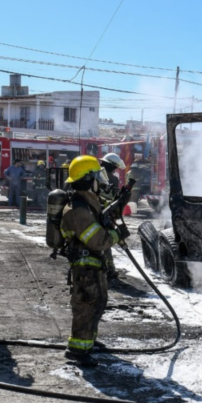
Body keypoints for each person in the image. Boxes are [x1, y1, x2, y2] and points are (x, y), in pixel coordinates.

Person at [60, 156, 128, 366]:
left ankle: (88, 341)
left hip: (94, 265)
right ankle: (78, 351)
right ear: (88, 179)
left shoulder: (89, 202)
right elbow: (99, 240)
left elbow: (104, 214)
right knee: (86, 306)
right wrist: (118, 235)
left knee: (97, 303)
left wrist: (121, 202)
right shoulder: (78, 210)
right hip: (85, 267)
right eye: (96, 176)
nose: (100, 180)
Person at [98, 153, 126, 280]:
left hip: (94, 212)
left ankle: (107, 269)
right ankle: (109, 269)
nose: (115, 170)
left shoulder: (93, 174)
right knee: (105, 242)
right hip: (105, 214)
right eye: (114, 167)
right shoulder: (112, 179)